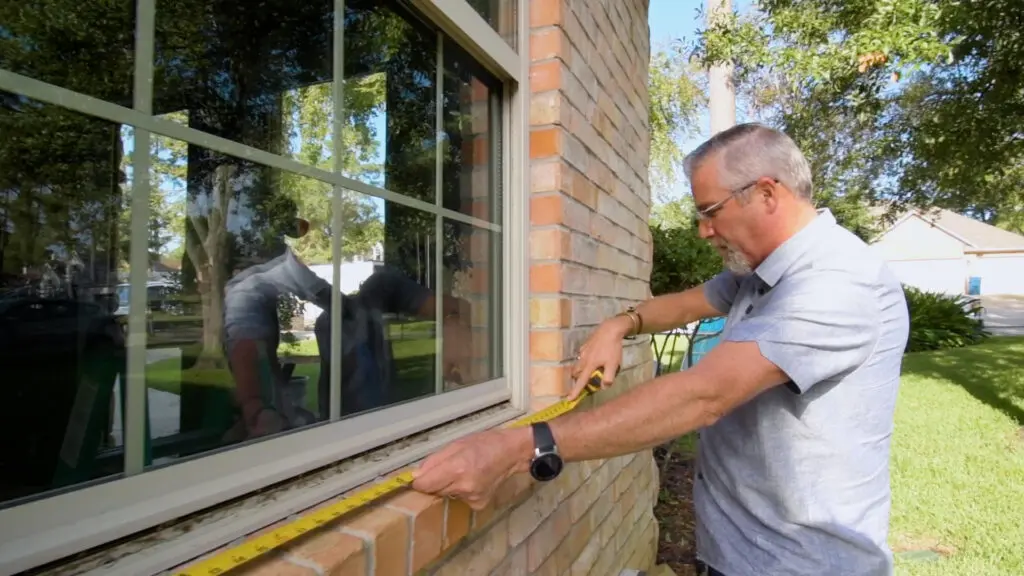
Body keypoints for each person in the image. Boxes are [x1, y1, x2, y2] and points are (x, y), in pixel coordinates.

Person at [410, 123, 910, 576]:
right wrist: (618, 323)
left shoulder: (837, 283)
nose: (704, 230)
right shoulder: (761, 273)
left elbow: (703, 397)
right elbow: (688, 304)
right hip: (741, 551)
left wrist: (523, 445)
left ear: (766, 194)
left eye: (710, 212)